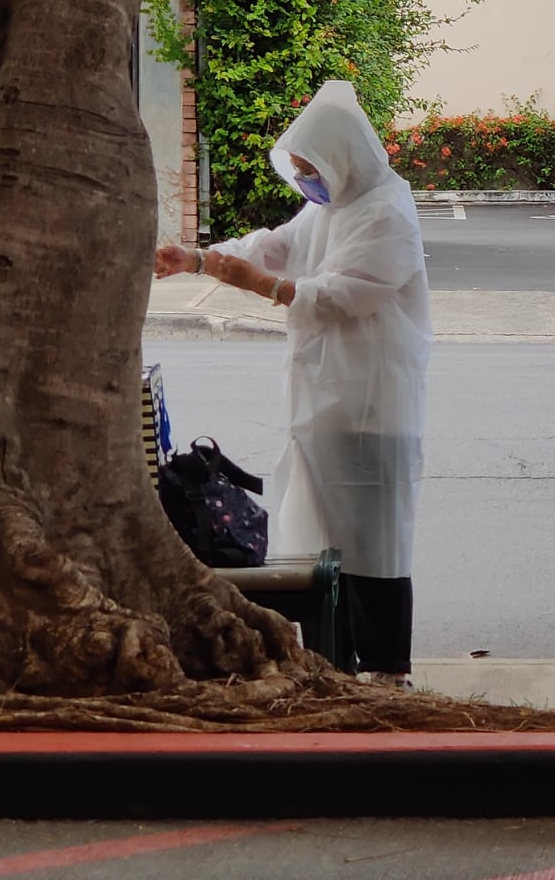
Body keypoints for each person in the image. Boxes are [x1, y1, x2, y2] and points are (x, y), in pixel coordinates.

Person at [154, 81, 431, 687]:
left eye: (312, 167)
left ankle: (387, 670)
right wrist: (199, 259)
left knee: (373, 539)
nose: (306, 178)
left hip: (371, 402)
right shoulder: (332, 203)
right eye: (301, 169)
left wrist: (262, 286)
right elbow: (277, 245)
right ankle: (339, 663)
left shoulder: (386, 210)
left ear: (343, 156)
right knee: (328, 540)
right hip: (326, 399)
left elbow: (345, 294)